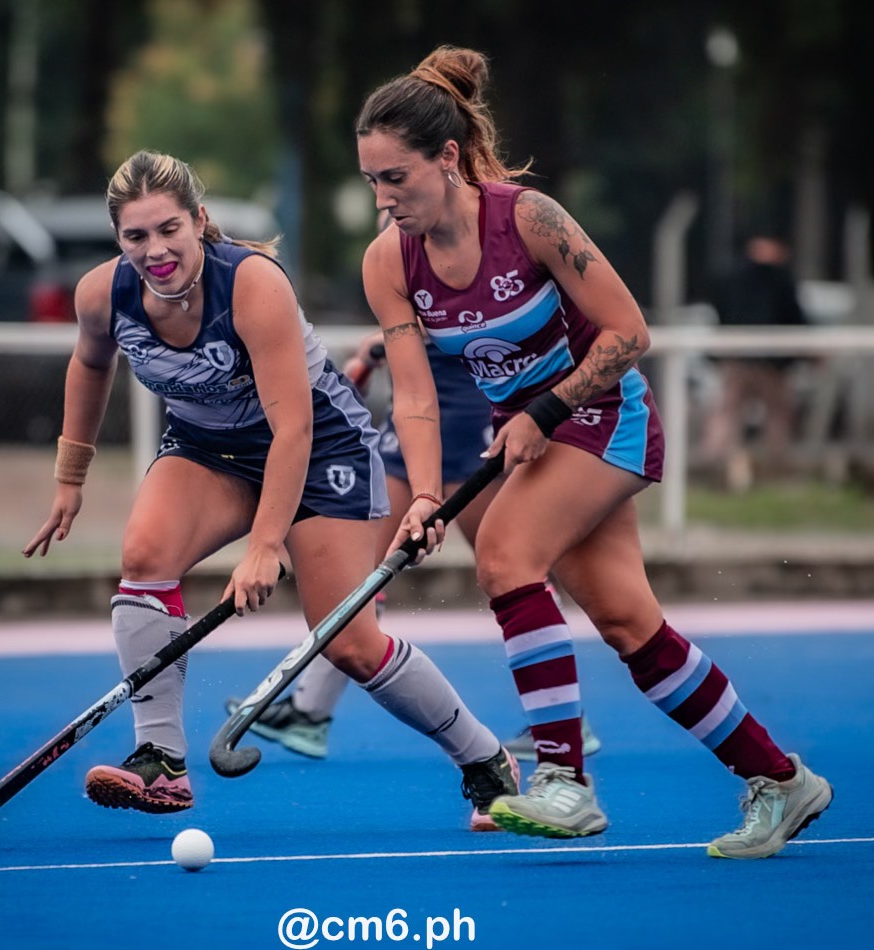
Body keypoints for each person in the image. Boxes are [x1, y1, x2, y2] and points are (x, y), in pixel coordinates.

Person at [354, 47, 832, 858]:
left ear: (445, 158)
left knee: (505, 553)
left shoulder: (529, 219)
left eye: (396, 177)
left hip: (605, 416)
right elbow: (415, 397)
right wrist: (427, 496)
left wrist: (549, 405)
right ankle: (781, 780)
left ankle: (564, 780)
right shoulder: (387, 262)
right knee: (627, 624)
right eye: (371, 180)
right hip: (538, 435)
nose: (383, 197)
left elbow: (630, 333)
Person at [23, 149, 519, 830]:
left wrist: (264, 546)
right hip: (210, 450)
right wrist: (69, 479)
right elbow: (90, 363)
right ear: (118, 240)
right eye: (136, 236)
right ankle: (161, 763)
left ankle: (487, 761)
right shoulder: (101, 294)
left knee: (348, 642)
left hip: (319, 449)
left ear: (199, 221)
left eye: (169, 229)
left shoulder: (253, 286)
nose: (155, 249)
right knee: (143, 558)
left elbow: (293, 430)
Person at [226, 327, 601, 764]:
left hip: (460, 415)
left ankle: (564, 717)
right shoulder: (393, 261)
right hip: (411, 417)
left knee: (511, 570)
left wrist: (400, 336)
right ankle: (311, 711)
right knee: (362, 571)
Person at [697, 235, 809, 491]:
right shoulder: (781, 279)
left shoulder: (730, 276)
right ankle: (776, 468)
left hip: (736, 355)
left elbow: (717, 311)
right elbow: (794, 316)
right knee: (776, 416)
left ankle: (712, 462)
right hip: (772, 359)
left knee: (726, 413)